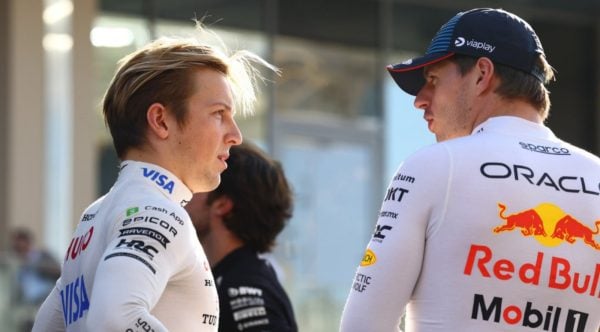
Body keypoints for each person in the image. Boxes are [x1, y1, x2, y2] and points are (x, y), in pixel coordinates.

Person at [340, 8, 600, 332]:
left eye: (433, 80)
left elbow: (362, 325)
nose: (420, 100)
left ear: (481, 74)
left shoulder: (432, 167)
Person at [33, 25, 277, 332]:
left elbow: (46, 327)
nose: (235, 135)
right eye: (218, 113)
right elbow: (114, 319)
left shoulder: (96, 216)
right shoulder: (157, 211)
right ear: (161, 121)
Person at [185, 141, 298, 332]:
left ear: (222, 205)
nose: (185, 189)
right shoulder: (237, 279)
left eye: (201, 181)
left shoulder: (243, 288)